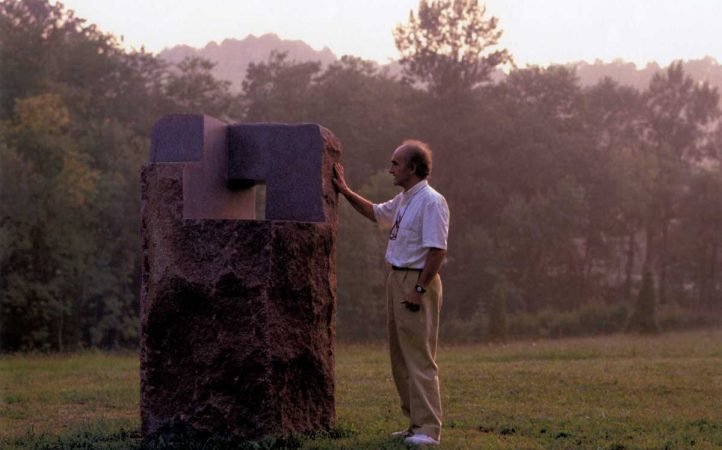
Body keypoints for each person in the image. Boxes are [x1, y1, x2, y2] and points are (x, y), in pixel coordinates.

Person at [333, 140, 450, 446]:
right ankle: (414, 423)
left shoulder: (431, 201)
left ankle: (428, 429)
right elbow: (375, 213)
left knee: (419, 357)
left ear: (413, 168)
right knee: (400, 357)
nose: (391, 169)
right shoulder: (405, 199)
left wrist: (419, 289)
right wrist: (345, 191)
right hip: (396, 278)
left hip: (417, 280)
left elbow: (437, 251)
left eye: (396, 163)